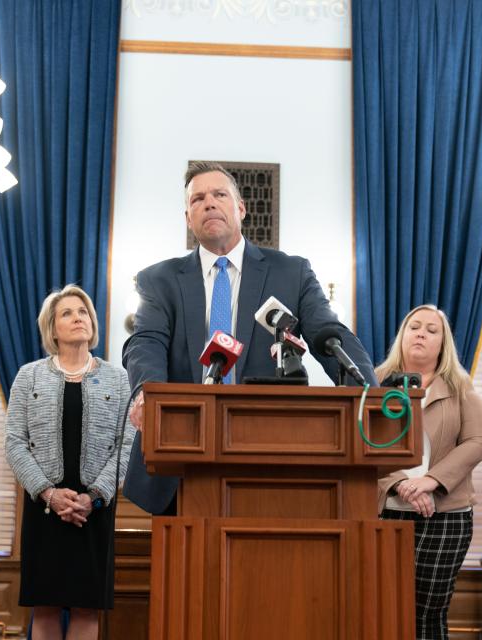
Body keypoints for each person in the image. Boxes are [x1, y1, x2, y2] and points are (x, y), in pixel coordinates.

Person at [122, 161, 377, 515]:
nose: (208, 203)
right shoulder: (158, 280)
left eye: (219, 195)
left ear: (240, 208)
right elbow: (145, 343)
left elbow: (331, 335)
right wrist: (147, 395)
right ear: (187, 218)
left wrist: (370, 394)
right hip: (181, 460)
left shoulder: (292, 272)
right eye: (197, 199)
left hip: (273, 455)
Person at [5, 285, 133, 640]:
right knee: (44, 606)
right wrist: (48, 493)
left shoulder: (119, 378)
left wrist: (93, 497)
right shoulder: (28, 375)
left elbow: (127, 445)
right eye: (68, 313)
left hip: (94, 508)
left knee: (85, 606)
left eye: (84, 312)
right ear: (52, 328)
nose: (79, 318)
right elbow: (14, 443)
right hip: (44, 508)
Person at [376, 304, 482, 640]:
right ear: (403, 336)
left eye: (431, 329)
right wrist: (401, 485)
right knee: (383, 607)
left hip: (446, 516)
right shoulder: (375, 381)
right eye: (414, 327)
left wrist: (429, 482)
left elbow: (477, 441)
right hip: (386, 512)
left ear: (443, 344)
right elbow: (360, 443)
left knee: (427, 614)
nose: (421, 333)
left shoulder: (460, 387)